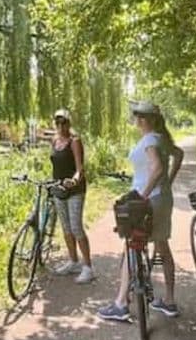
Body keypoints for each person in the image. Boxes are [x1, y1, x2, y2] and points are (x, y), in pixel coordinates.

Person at [98, 100, 184, 321]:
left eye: (137, 116)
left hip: (148, 201)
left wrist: (143, 194)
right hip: (164, 199)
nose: (136, 119)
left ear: (142, 119)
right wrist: (168, 182)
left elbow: (156, 168)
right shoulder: (163, 138)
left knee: (132, 244)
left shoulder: (149, 140)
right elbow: (179, 154)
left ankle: (120, 303)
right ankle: (170, 302)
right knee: (162, 246)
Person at [50, 108, 94, 284]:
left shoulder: (74, 141)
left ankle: (88, 267)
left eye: (64, 122)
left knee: (76, 227)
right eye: (58, 122)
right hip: (59, 189)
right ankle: (73, 261)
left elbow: (79, 169)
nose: (61, 126)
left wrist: (74, 180)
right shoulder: (54, 141)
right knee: (66, 228)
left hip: (75, 189)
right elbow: (55, 164)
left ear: (69, 123)